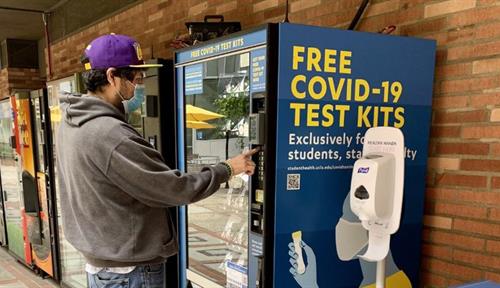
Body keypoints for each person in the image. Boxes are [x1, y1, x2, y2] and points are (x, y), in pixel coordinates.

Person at [56, 34, 257, 288]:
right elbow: (174, 189)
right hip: (129, 272)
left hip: (103, 265)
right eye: (135, 78)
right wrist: (227, 168)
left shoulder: (71, 123)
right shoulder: (111, 134)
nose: (140, 84)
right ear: (111, 76)